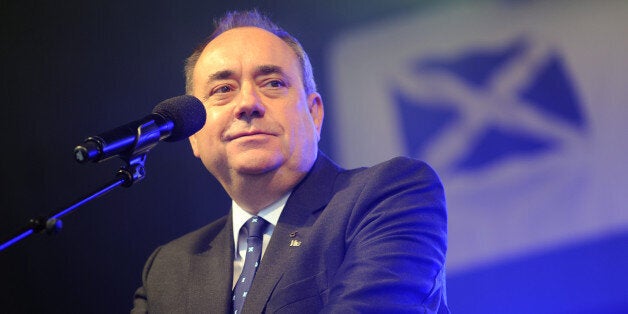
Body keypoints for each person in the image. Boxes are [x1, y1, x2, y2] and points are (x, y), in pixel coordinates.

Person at [131, 9, 449, 314]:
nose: (247, 104)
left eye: (273, 83)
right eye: (223, 89)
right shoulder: (168, 268)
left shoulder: (390, 195)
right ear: (194, 136)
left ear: (314, 114)